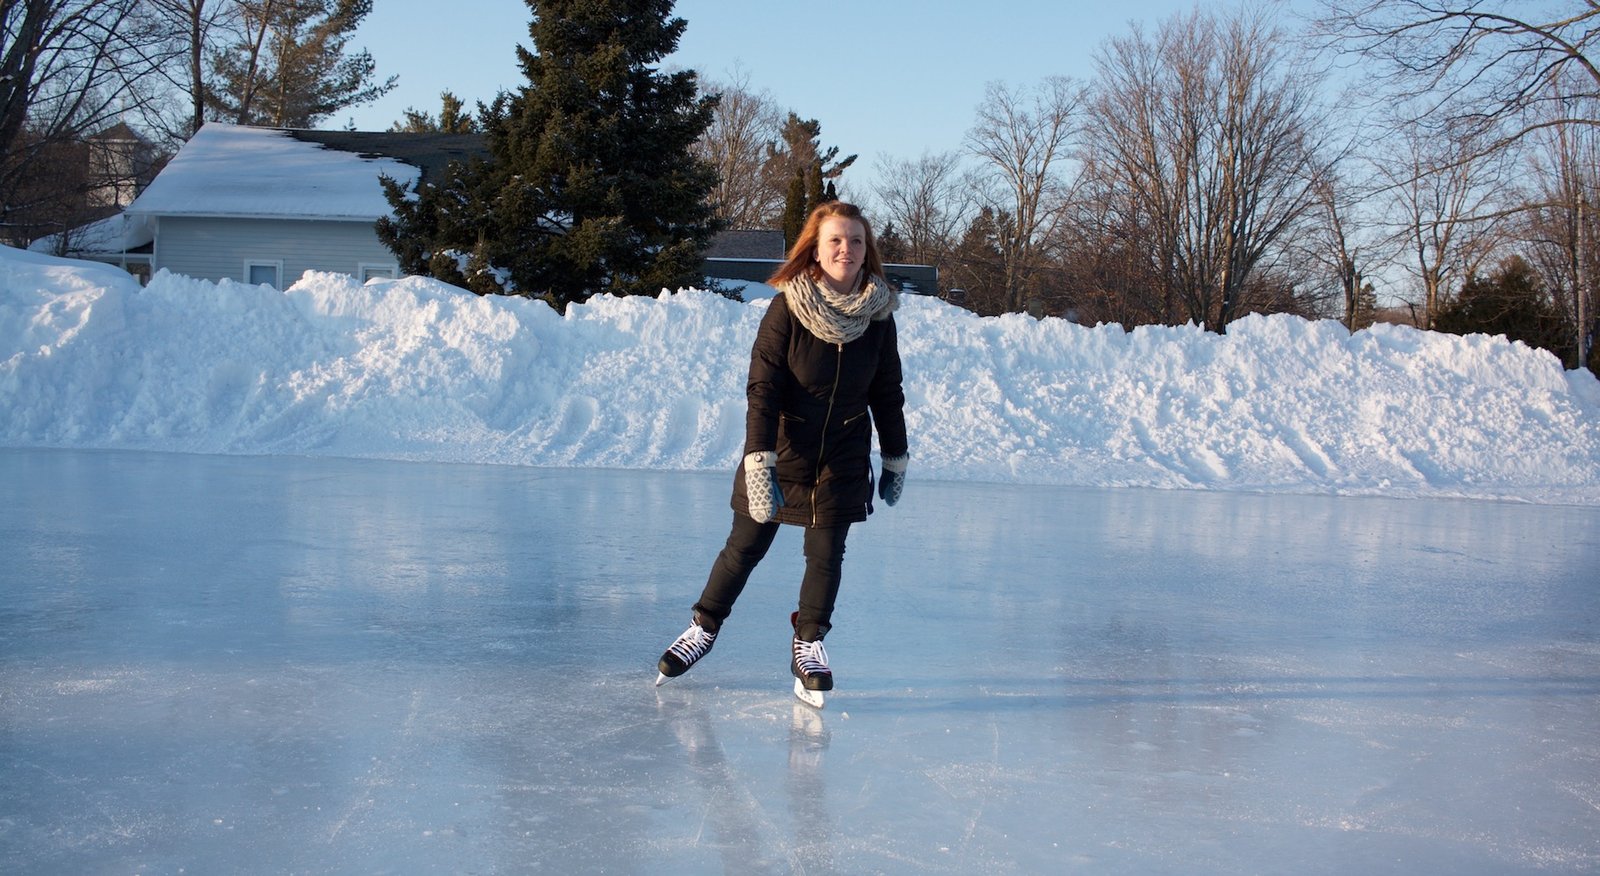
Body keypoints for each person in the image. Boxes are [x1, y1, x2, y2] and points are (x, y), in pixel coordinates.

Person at [656, 201, 909, 700]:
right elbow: (763, 390)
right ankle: (703, 628)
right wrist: (758, 461)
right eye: (835, 240)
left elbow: (887, 391)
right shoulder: (788, 307)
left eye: (856, 241)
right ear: (815, 248)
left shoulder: (878, 317)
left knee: (826, 555)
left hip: (843, 455)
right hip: (782, 451)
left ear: (867, 251)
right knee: (745, 547)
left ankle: (809, 642)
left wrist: (895, 455)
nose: (846, 249)